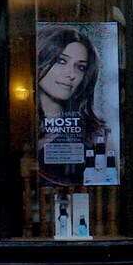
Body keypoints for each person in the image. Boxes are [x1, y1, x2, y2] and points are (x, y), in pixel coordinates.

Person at [35, 24, 112, 188]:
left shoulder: (96, 133)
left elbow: (108, 185)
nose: (71, 74)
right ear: (41, 58)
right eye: (61, 61)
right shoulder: (18, 126)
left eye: (80, 67)